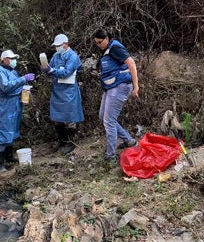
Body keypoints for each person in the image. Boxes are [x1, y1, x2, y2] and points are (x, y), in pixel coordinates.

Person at [92, 29, 139, 161]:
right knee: (103, 116)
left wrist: (136, 86)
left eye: (100, 42)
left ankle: (110, 155)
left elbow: (131, 63)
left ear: (107, 38)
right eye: (96, 43)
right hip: (111, 87)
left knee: (109, 121)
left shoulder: (115, 48)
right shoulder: (107, 49)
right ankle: (129, 140)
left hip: (120, 86)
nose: (99, 45)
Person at [0, 49, 35, 172]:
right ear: (4, 60)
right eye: (11, 59)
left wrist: (25, 90)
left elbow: (17, 86)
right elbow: (6, 87)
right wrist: (23, 79)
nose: (14, 61)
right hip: (4, 105)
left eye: (14, 58)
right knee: (2, 131)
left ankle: (9, 157)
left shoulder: (13, 72)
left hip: (15, 103)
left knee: (12, 129)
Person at [41, 34, 84, 154]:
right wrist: (45, 68)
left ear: (66, 44)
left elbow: (66, 72)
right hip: (57, 90)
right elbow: (51, 69)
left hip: (69, 90)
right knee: (57, 117)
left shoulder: (73, 56)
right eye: (56, 46)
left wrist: (52, 70)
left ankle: (70, 142)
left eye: (59, 45)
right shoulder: (56, 56)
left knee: (70, 117)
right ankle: (62, 140)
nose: (57, 48)